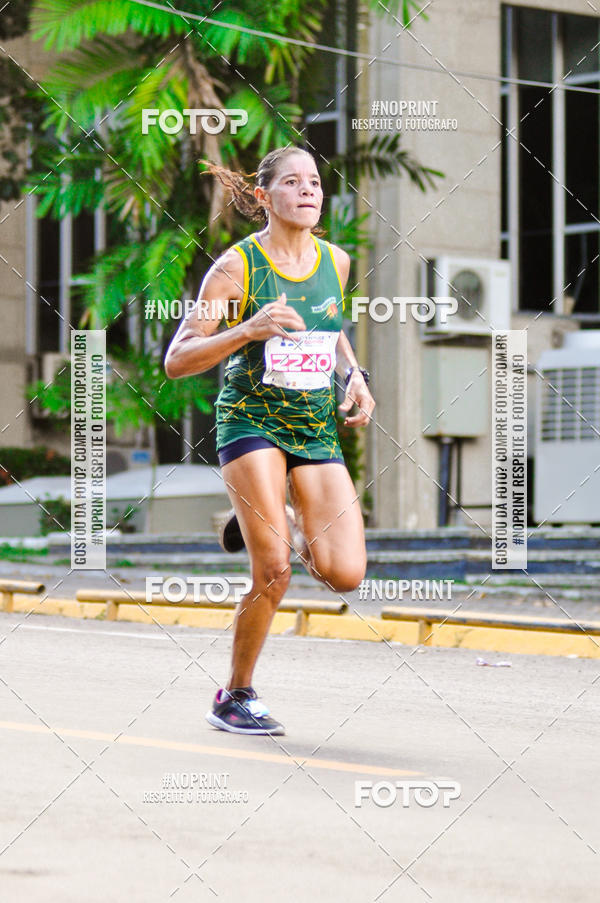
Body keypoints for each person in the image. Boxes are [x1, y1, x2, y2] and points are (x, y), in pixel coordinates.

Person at [164, 146, 375, 735]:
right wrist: (248, 329)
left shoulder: (336, 261)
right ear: (264, 197)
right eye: (292, 182)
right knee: (275, 569)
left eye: (315, 182)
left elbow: (330, 331)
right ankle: (235, 695)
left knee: (344, 572)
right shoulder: (237, 267)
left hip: (313, 424)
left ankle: (267, 514)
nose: (308, 191)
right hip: (250, 421)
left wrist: (353, 376)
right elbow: (177, 360)